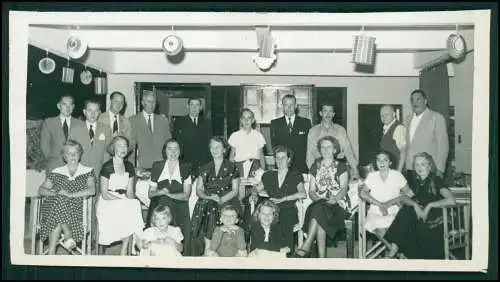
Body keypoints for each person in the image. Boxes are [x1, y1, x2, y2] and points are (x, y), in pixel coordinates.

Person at [384, 152, 456, 259]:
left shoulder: (436, 180)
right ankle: (396, 249)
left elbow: (451, 200)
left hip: (436, 218)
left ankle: (395, 250)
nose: (419, 167)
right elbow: (404, 198)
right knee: (407, 211)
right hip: (419, 217)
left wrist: (430, 205)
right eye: (416, 164)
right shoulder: (415, 182)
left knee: (407, 213)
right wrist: (414, 205)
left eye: (423, 164)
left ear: (429, 166)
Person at [294, 136, 349, 258]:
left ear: (335, 150)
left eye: (328, 147)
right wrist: (319, 200)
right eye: (322, 147)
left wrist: (334, 199)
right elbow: (312, 191)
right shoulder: (315, 166)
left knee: (319, 212)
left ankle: (307, 245)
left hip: (337, 204)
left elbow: (344, 189)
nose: (325, 149)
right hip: (319, 204)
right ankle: (321, 258)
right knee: (320, 209)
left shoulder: (341, 166)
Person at [38, 140, 96, 255]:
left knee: (58, 212)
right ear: (64, 156)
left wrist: (70, 195)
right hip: (53, 207)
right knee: (60, 200)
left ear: (80, 155)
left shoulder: (88, 171)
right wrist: (56, 193)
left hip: (76, 211)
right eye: (69, 153)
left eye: (76, 153)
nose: (73, 156)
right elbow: (41, 190)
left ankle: (51, 253)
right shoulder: (56, 171)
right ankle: (68, 233)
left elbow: (92, 190)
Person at [188, 136, 241, 256]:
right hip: (207, 200)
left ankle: (210, 247)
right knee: (209, 205)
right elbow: (199, 190)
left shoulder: (233, 167)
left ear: (224, 149)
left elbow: (235, 190)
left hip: (227, 200)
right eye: (212, 147)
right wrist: (210, 197)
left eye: (218, 147)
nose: (215, 150)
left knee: (212, 206)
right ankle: (207, 247)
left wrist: (221, 199)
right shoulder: (204, 167)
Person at [96, 136, 145, 255]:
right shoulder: (107, 167)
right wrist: (123, 202)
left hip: (123, 199)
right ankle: (136, 242)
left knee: (134, 204)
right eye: (119, 146)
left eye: (125, 146)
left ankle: (125, 247)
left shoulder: (129, 166)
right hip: (107, 201)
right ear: (113, 148)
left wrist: (131, 200)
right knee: (129, 207)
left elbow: (129, 192)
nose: (123, 148)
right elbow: (104, 193)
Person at [256, 145, 307, 255]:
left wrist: (284, 198)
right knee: (259, 217)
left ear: (288, 159)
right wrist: (254, 194)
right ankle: (261, 251)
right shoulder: (268, 175)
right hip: (270, 209)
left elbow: (303, 193)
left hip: (288, 208)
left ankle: (286, 253)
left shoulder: (295, 175)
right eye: (277, 158)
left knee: (285, 220)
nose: (280, 160)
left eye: (283, 157)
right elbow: (256, 188)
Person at [359, 150, 413, 239]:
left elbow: (409, 193)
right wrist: (380, 204)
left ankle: (392, 249)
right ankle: (394, 249)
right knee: (380, 229)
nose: (381, 162)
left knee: (395, 226)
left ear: (390, 162)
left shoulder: (397, 175)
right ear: (376, 163)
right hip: (376, 211)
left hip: (394, 211)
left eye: (385, 160)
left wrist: (397, 200)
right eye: (379, 160)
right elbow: (362, 193)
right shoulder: (372, 176)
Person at [147, 139, 194, 239]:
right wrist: (160, 192)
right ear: (165, 151)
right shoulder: (157, 166)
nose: (173, 152)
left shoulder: (186, 167)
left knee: (167, 200)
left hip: (178, 205)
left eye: (176, 149)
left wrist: (168, 195)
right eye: (169, 149)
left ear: (180, 151)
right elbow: (150, 194)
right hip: (159, 203)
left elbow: (186, 196)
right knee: (162, 201)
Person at [403, 89, 449, 182]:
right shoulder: (408, 119)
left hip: (429, 169)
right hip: (411, 169)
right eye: (412, 100)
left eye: (418, 99)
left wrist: (440, 169)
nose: (415, 102)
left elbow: (443, 145)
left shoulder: (436, 117)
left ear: (425, 101)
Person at [306, 102, 359, 178]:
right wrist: (313, 171)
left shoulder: (341, 130)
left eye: (330, 111)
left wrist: (355, 168)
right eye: (325, 111)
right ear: (320, 113)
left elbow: (348, 151)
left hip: (338, 168)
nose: (328, 114)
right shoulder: (313, 131)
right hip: (319, 168)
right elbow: (309, 155)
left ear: (333, 114)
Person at [40, 94, 85, 171]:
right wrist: (52, 162)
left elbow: (83, 146)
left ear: (73, 107)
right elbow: (44, 146)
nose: (68, 107)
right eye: (64, 104)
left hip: (75, 166)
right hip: (54, 166)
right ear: (58, 106)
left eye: (70, 104)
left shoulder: (80, 123)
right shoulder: (49, 123)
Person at [270, 94, 312, 174]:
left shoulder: (306, 123)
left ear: (296, 106)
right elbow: (275, 146)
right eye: (286, 105)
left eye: (291, 105)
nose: (289, 108)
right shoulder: (275, 123)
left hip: (301, 166)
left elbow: (308, 146)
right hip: (282, 165)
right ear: (282, 106)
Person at [129, 91, 171, 169]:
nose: (152, 104)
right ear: (142, 102)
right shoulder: (133, 120)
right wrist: (132, 166)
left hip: (161, 165)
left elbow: (169, 144)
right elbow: (131, 147)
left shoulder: (163, 120)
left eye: (154, 102)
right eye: (149, 101)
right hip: (141, 166)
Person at [73, 99, 111, 178]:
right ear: (84, 112)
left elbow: (107, 153)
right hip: (79, 172)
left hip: (99, 172)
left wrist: (104, 171)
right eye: (90, 110)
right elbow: (72, 153)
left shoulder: (106, 129)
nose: (93, 114)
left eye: (96, 111)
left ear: (100, 112)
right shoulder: (75, 129)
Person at [172, 97, 212, 171]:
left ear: (200, 107)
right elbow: (177, 143)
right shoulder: (179, 122)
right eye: (192, 105)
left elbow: (210, 143)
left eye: (197, 105)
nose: (194, 108)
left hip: (203, 163)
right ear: (188, 106)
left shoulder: (207, 123)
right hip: (185, 163)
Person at [379, 105, 406, 172]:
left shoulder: (398, 128)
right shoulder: (386, 128)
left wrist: (399, 172)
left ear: (394, 114)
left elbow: (403, 152)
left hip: (396, 169)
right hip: (390, 169)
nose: (384, 117)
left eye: (386, 114)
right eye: (382, 115)